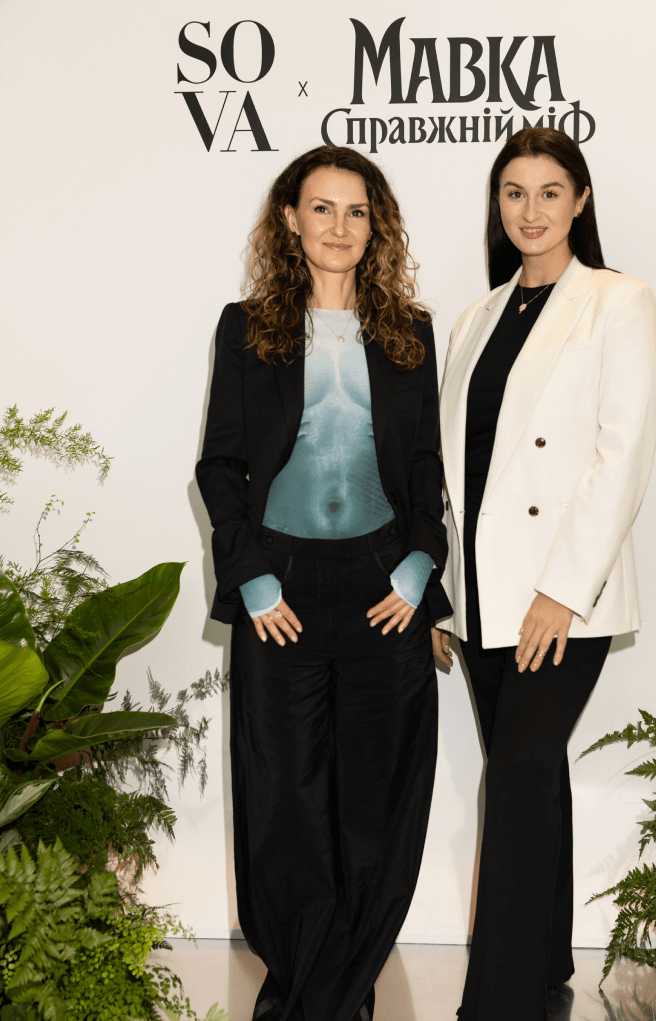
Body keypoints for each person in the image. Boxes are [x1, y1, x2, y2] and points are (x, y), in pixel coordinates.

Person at [196, 145, 451, 1021]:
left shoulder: (409, 330)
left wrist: (421, 563)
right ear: (290, 220)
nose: (339, 226)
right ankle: (303, 979)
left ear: (375, 226)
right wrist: (251, 575)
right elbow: (220, 464)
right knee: (285, 797)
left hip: (385, 584)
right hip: (283, 586)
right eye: (321, 207)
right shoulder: (246, 327)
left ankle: (341, 984)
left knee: (377, 795)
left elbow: (426, 465)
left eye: (356, 210)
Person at [433, 127, 656, 1020]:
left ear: (580, 201)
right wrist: (442, 597)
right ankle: (545, 962)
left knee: (519, 769)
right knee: (526, 770)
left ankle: (497, 1000)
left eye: (549, 191)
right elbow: (454, 474)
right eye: (513, 192)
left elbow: (621, 456)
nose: (530, 210)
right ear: (497, 204)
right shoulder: (474, 318)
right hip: (481, 594)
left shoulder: (617, 300)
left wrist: (561, 590)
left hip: (562, 592)